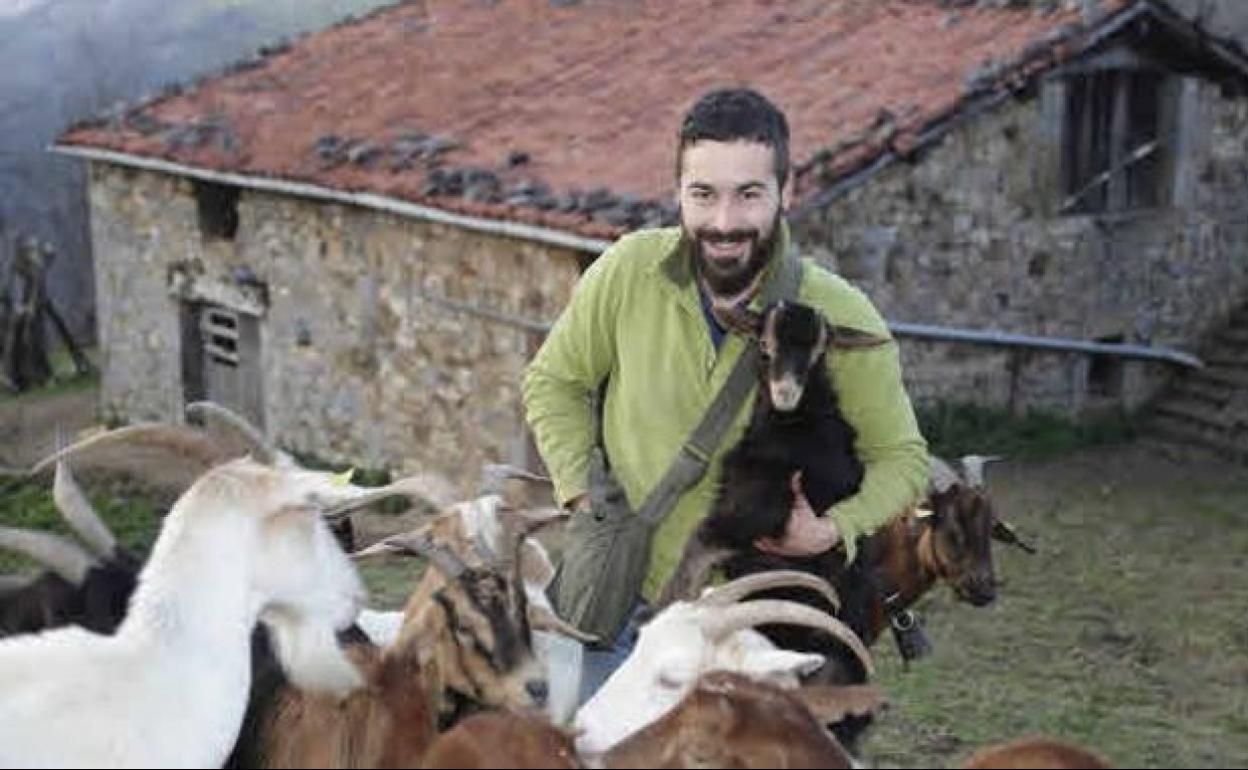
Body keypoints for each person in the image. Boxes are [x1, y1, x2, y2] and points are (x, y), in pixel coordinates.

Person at [521, 87, 929, 703]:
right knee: (593, 746)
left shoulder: (840, 313)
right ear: (678, 191)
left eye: (749, 194)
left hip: (758, 632)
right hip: (619, 606)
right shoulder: (627, 271)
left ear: (786, 192)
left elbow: (902, 458)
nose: (724, 222)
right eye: (703, 194)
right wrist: (583, 495)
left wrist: (833, 530)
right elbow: (555, 381)